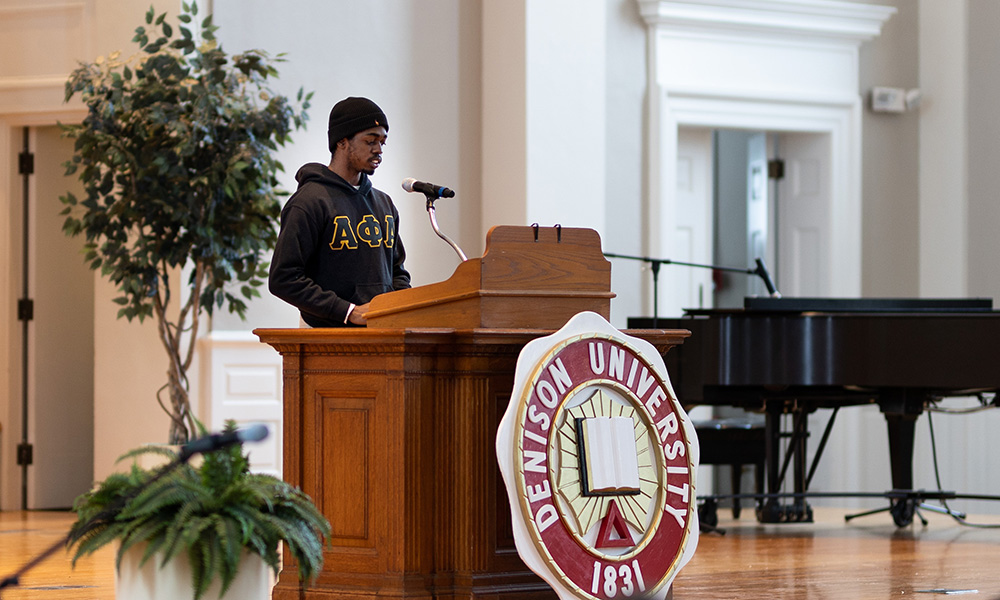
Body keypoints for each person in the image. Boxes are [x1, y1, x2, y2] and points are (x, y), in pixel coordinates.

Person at [269, 97, 411, 327]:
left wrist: (402, 307)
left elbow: (397, 272)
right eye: (370, 141)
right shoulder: (309, 202)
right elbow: (284, 278)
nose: (378, 150)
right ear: (342, 142)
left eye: (383, 142)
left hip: (382, 332)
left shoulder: (384, 204)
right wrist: (348, 311)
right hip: (325, 334)